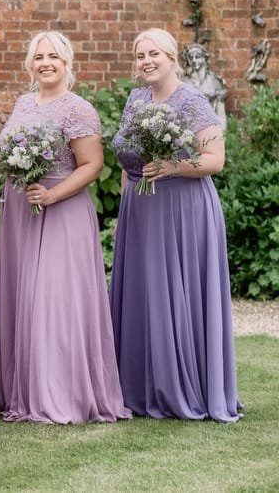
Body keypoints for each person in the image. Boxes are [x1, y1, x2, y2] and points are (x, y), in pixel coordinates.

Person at [0, 31, 130, 424]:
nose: (45, 63)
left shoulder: (78, 109)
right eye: (38, 57)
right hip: (21, 208)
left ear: (67, 62)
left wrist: (52, 195)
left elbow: (92, 165)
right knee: (25, 297)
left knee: (54, 299)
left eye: (53, 56)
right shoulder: (22, 103)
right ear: (29, 64)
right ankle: (23, 391)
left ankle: (61, 394)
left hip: (62, 208)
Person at [110, 28, 240, 422]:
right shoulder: (135, 100)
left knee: (178, 292)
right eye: (140, 55)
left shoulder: (193, 100)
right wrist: (123, 210)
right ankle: (140, 386)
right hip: (140, 207)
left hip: (183, 209)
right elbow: (125, 159)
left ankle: (184, 387)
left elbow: (215, 159)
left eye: (154, 53)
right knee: (143, 294)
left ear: (172, 57)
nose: (146, 61)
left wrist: (172, 166)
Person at [180, 43, 227, 128]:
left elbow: (221, 115)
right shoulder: (184, 83)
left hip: (211, 129)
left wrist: (222, 135)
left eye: (197, 57)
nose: (194, 60)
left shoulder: (215, 82)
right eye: (191, 57)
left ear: (204, 58)